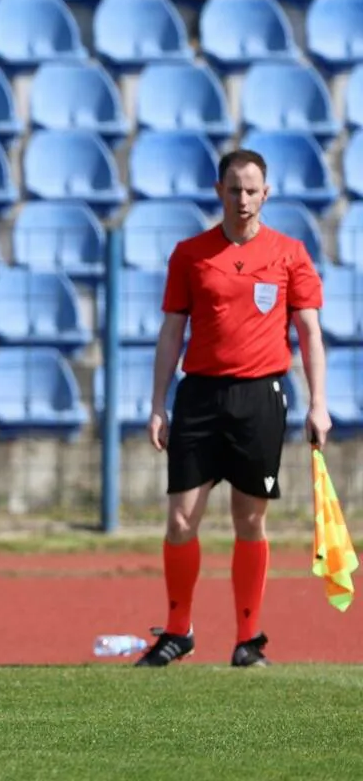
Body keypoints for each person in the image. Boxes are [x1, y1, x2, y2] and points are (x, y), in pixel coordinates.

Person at [139, 149, 329, 668]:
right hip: (200, 395)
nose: (243, 199)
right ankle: (179, 631)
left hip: (260, 398)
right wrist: (158, 404)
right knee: (181, 519)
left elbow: (310, 333)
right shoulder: (190, 254)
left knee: (249, 519)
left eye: (252, 190)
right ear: (218, 191)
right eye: (234, 189)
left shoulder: (290, 254)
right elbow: (171, 332)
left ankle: (248, 639)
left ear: (266, 193)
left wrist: (319, 404)